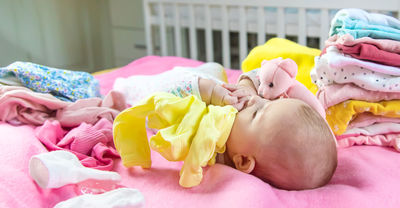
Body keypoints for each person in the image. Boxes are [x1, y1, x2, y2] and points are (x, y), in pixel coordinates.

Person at [113, 62, 337, 190]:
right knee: (214, 69)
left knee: (124, 98)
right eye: (267, 102)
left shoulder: (205, 146)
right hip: (208, 77)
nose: (255, 101)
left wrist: (206, 91)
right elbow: (256, 76)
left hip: (177, 86)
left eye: (257, 112)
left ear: (243, 161)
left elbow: (162, 100)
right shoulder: (250, 109)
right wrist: (246, 87)